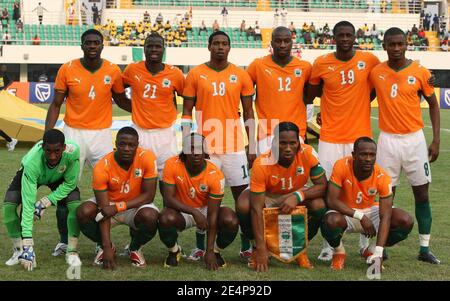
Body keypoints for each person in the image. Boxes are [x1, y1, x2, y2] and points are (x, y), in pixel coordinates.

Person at [45, 29, 130, 257]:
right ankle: (64, 241)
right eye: (88, 42)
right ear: (81, 45)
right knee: (65, 191)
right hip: (73, 134)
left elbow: (121, 100)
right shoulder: (68, 68)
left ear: (102, 46)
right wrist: (48, 135)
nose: (92, 45)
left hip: (101, 135)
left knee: (108, 190)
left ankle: (99, 239)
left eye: (96, 42)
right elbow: (56, 104)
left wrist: (147, 109)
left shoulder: (112, 69)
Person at [307, 21, 381, 261]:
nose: (346, 39)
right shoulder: (321, 63)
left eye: (350, 35)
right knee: (331, 189)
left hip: (359, 137)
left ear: (355, 36)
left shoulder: (369, 60)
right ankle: (330, 245)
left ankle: (365, 242)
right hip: (329, 137)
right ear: (333, 37)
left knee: (364, 187)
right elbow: (312, 93)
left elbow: (375, 88)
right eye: (341, 35)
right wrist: (327, 108)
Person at [182, 31, 256, 262]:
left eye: (224, 44)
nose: (220, 47)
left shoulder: (241, 75)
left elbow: (249, 113)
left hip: (234, 148)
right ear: (209, 46)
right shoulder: (195, 73)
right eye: (216, 44)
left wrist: (251, 144)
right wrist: (187, 143)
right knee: (203, 199)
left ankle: (248, 246)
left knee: (243, 200)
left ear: (230, 47)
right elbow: (186, 112)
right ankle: (200, 247)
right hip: (206, 150)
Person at [369, 27, 441, 264]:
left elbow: (432, 104)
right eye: (392, 44)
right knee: (386, 194)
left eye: (400, 44)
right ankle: (381, 245)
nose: (396, 48)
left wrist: (436, 139)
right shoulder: (376, 71)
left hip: (414, 140)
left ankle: (424, 248)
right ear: (385, 46)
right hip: (388, 141)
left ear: (407, 44)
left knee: (422, 194)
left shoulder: (420, 71)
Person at [237, 122, 328, 272]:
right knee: (244, 205)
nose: (287, 148)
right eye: (282, 143)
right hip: (268, 194)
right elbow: (256, 208)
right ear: (274, 143)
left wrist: (299, 196)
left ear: (299, 144)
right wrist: (260, 247)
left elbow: (323, 185)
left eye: (292, 143)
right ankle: (256, 246)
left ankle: (300, 249)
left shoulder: (308, 153)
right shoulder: (262, 162)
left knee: (319, 205)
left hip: (295, 191)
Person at [322, 137, 414, 270]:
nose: (368, 159)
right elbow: (331, 200)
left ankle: (370, 251)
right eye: (363, 154)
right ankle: (339, 252)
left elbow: (386, 216)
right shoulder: (341, 165)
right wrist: (361, 217)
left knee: (405, 220)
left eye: (372, 155)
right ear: (354, 155)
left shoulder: (382, 176)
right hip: (345, 211)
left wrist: (379, 251)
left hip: (371, 211)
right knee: (330, 221)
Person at [76, 127, 159, 269]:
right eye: (122, 144)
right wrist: (107, 246)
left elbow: (149, 196)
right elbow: (104, 210)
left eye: (131, 145)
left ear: (137, 145)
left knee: (151, 216)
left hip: (134, 206)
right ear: (116, 143)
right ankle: (106, 246)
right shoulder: (102, 166)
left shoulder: (147, 157)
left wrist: (119, 207)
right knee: (84, 212)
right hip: (109, 204)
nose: (126, 148)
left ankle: (134, 248)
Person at [3, 129, 82, 271]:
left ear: (63, 148)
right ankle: (20, 250)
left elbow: (70, 183)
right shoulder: (32, 162)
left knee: (74, 200)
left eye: (57, 151)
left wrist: (45, 202)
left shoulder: (73, 152)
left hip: (58, 177)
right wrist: (28, 243)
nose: (52, 156)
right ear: (42, 147)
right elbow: (28, 206)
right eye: (48, 151)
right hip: (34, 174)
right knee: (10, 202)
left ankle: (71, 250)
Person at [158, 133, 238, 269]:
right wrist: (194, 212)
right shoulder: (172, 164)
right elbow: (168, 199)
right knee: (165, 218)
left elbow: (213, 214)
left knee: (230, 220)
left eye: (200, 148)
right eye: (191, 148)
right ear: (184, 150)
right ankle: (174, 251)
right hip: (182, 210)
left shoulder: (215, 174)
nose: (196, 153)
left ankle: (216, 252)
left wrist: (210, 251)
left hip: (206, 209)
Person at [123, 33, 184, 194]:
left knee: (168, 179)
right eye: (150, 45)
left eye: (158, 46)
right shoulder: (132, 69)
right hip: (139, 132)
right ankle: (140, 215)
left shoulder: (175, 74)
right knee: (138, 178)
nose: (154, 49)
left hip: (165, 133)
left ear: (164, 49)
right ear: (144, 48)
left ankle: (169, 214)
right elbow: (117, 90)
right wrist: (134, 107)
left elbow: (189, 97)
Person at [247, 26, 312, 155]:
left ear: (292, 43)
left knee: (295, 174)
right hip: (267, 133)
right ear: (271, 43)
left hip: (296, 133)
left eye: (286, 41)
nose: (282, 45)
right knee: (267, 172)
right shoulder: (257, 65)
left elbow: (313, 93)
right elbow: (243, 94)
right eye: (278, 41)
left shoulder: (305, 67)